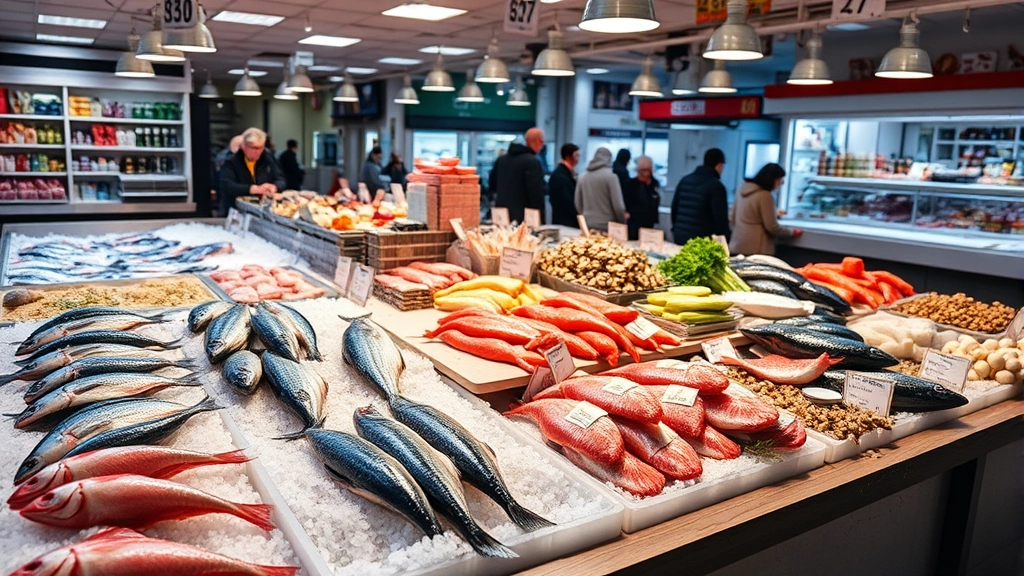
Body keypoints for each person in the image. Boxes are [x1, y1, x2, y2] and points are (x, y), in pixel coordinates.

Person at [729, 163, 802, 255]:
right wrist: (791, 232)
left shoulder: (741, 191)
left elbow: (732, 217)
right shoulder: (765, 196)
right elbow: (772, 227)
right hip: (756, 249)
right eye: (779, 180)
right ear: (772, 179)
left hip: (737, 244)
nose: (780, 184)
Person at [671, 148, 731, 245]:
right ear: (719, 165)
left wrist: (675, 228)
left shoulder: (685, 180)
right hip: (702, 240)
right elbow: (720, 218)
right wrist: (725, 239)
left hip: (680, 235)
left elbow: (674, 208)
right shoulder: (716, 186)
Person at [219, 127, 285, 214]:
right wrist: (251, 189)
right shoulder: (231, 162)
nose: (258, 152)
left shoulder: (268, 159)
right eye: (254, 148)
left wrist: (274, 186)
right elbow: (226, 185)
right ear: (243, 146)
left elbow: (281, 178)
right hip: (238, 210)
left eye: (261, 148)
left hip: (264, 210)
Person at [493, 128, 546, 224]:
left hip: (501, 215)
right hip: (524, 219)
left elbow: (492, 185)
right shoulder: (532, 162)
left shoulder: (501, 160)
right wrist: (541, 219)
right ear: (539, 141)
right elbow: (536, 194)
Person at [575, 147, 626, 233]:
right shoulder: (611, 177)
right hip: (607, 225)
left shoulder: (582, 177)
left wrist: (585, 216)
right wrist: (622, 222)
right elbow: (618, 206)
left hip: (587, 224)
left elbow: (577, 203)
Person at [625, 156, 661, 240]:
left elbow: (656, 200)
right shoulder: (631, 184)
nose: (644, 174)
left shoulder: (655, 184)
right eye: (642, 171)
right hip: (634, 222)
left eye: (647, 170)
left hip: (650, 221)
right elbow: (626, 201)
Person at [548, 143, 580, 227]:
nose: (578, 159)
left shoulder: (567, 173)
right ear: (568, 156)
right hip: (564, 221)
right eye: (576, 155)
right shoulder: (560, 176)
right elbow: (566, 201)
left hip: (565, 220)